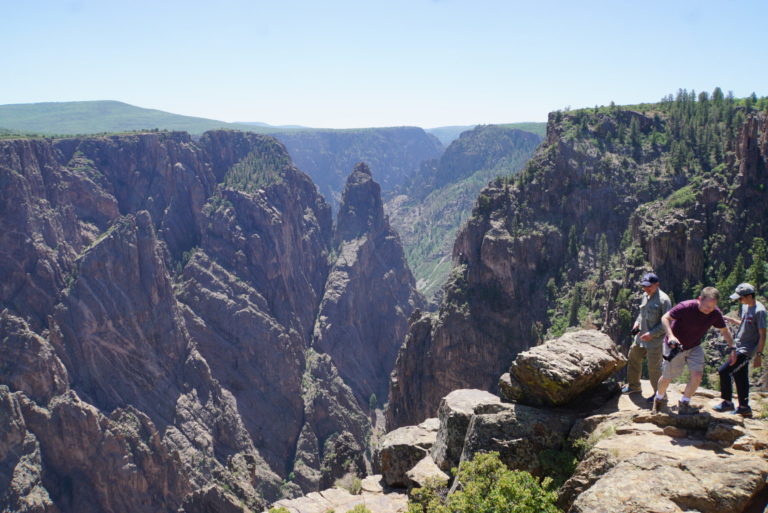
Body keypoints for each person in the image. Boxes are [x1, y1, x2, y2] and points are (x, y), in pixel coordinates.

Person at [653, 286, 736, 414]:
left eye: (712, 307)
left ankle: (684, 403)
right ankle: (658, 400)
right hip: (675, 346)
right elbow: (665, 318)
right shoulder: (685, 307)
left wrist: (733, 348)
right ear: (699, 299)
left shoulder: (715, 313)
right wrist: (671, 335)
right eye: (706, 306)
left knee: (697, 375)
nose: (709, 310)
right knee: (667, 377)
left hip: (694, 346)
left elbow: (725, 331)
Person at [714, 283, 766, 417]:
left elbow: (762, 334)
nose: (739, 300)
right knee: (739, 375)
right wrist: (731, 320)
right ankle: (744, 407)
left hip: (746, 350)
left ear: (749, 296)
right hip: (738, 345)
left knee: (724, 371)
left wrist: (758, 355)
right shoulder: (745, 306)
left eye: (740, 298)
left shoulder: (759, 311)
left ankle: (727, 402)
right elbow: (745, 324)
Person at [622, 272, 672, 402]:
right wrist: (637, 322)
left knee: (654, 368)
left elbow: (667, 323)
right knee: (633, 357)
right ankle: (634, 387)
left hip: (655, 340)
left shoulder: (664, 300)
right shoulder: (645, 295)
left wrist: (652, 334)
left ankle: (659, 395)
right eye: (644, 286)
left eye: (649, 286)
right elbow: (641, 313)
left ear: (657, 285)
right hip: (640, 337)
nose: (646, 289)